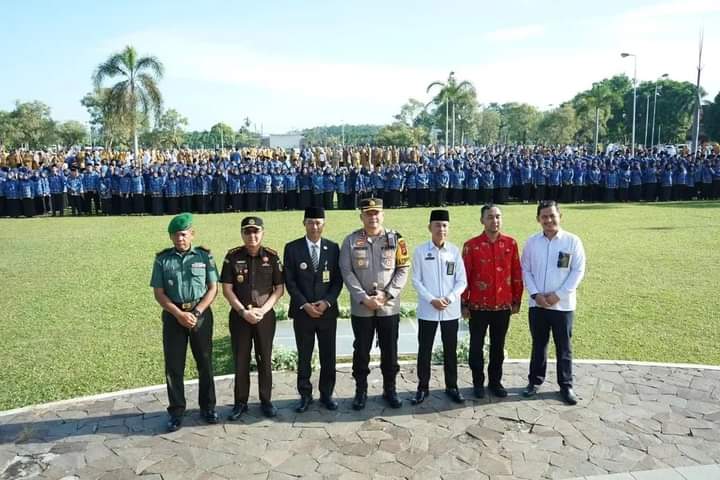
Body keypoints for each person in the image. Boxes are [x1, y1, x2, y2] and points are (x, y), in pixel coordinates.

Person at [150, 213, 219, 432]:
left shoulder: (204, 257)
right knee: (174, 366)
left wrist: (197, 312)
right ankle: (177, 411)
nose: (180, 238)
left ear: (192, 234)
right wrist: (179, 314)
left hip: (200, 314)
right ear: (171, 237)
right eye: (175, 235)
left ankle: (208, 408)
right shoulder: (163, 260)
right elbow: (159, 293)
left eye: (183, 234)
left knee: (205, 362)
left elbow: (213, 288)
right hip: (173, 317)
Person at [339, 198, 410, 410]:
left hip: (388, 306)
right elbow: (346, 271)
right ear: (361, 216)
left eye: (376, 213)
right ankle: (361, 391)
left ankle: (390, 389)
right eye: (368, 214)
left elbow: (403, 268)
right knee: (361, 350)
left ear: (383, 214)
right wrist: (363, 297)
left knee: (390, 350)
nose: (373, 217)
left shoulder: (396, 239)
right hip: (362, 307)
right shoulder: (351, 241)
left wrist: (386, 295)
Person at [521, 201, 586, 405]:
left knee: (564, 347)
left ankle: (566, 385)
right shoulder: (532, 242)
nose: (548, 220)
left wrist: (559, 295)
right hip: (538, 304)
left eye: (552, 215)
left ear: (560, 216)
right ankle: (535, 381)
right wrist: (536, 294)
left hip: (562, 305)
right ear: (538, 219)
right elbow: (526, 270)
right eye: (544, 216)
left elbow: (578, 271)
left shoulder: (572, 241)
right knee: (538, 345)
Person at [221, 216, 284, 419]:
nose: (252, 236)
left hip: (264, 317)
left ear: (262, 233)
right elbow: (227, 289)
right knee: (240, 360)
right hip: (240, 317)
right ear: (242, 234)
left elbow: (279, 289)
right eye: (247, 232)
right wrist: (243, 312)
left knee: (264, 358)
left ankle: (266, 400)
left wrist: (263, 311)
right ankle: (240, 402)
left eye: (256, 231)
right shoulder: (232, 256)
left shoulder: (272, 257)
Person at [283, 207, 343, 413]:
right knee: (304, 355)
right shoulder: (292, 248)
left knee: (328, 355)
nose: (314, 226)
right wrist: (305, 304)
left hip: (327, 312)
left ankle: (326, 394)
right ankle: (305, 395)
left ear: (324, 224)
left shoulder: (333, 248)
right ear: (304, 223)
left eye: (318, 222)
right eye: (310, 222)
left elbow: (338, 280)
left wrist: (327, 302)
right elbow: (289, 281)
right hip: (303, 313)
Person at [461, 204, 523, 399]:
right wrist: (463, 303)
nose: (494, 220)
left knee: (498, 346)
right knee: (476, 346)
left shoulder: (510, 244)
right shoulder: (471, 245)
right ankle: (478, 383)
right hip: (478, 306)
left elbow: (516, 273)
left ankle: (495, 382)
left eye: (497, 217)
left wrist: (516, 299)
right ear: (482, 220)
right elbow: (465, 277)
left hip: (503, 305)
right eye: (490, 217)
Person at [410, 209, 467, 405]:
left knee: (450, 350)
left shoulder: (454, 251)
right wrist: (432, 299)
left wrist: (449, 299)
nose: (441, 229)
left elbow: (462, 281)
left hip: (450, 311)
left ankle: (452, 386)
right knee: (424, 350)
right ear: (430, 227)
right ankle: (422, 387)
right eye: (437, 225)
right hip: (428, 310)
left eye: (444, 226)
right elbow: (416, 280)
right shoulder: (420, 251)